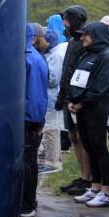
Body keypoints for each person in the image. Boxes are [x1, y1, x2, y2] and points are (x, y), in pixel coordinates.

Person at [66, 22, 109, 208]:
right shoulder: (87, 55)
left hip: (97, 109)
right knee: (90, 147)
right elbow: (76, 80)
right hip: (82, 109)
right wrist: (70, 100)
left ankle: (106, 192)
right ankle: (95, 187)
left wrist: (81, 103)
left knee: (99, 148)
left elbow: (100, 86)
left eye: (86, 34)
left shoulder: (106, 56)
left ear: (97, 35)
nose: (82, 37)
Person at [56, 5, 93, 196]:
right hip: (68, 96)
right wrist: (62, 96)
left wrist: (77, 98)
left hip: (78, 98)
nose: (64, 23)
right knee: (73, 137)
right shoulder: (72, 41)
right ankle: (82, 176)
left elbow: (82, 73)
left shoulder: (84, 41)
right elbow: (66, 71)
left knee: (81, 137)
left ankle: (87, 178)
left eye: (67, 19)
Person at [22, 24, 50, 217]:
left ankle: (25, 204)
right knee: (30, 161)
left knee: (25, 162)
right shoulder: (38, 57)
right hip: (36, 117)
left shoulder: (23, 58)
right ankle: (30, 202)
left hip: (24, 117)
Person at [41, 26, 68, 173]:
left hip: (52, 97)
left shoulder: (56, 55)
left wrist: (39, 76)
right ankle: (51, 160)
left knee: (52, 130)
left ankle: (52, 163)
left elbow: (53, 79)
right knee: (49, 129)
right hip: (47, 97)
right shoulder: (51, 54)